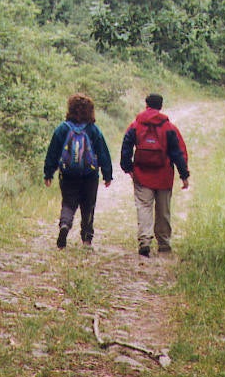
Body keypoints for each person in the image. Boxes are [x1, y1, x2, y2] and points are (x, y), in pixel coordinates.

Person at [120, 93, 189, 257]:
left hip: (142, 174)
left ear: (146, 105)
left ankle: (145, 241)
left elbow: (126, 147)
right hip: (164, 175)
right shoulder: (169, 127)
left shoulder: (136, 125)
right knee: (163, 210)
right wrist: (184, 175)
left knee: (144, 207)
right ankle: (164, 245)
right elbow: (177, 153)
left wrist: (127, 167)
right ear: (161, 106)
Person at [43, 93, 113, 248]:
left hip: (68, 175)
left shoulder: (62, 128)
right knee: (88, 206)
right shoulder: (93, 130)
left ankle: (65, 224)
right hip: (90, 176)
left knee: (68, 203)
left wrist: (49, 173)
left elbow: (53, 152)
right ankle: (87, 239)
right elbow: (103, 152)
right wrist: (107, 174)